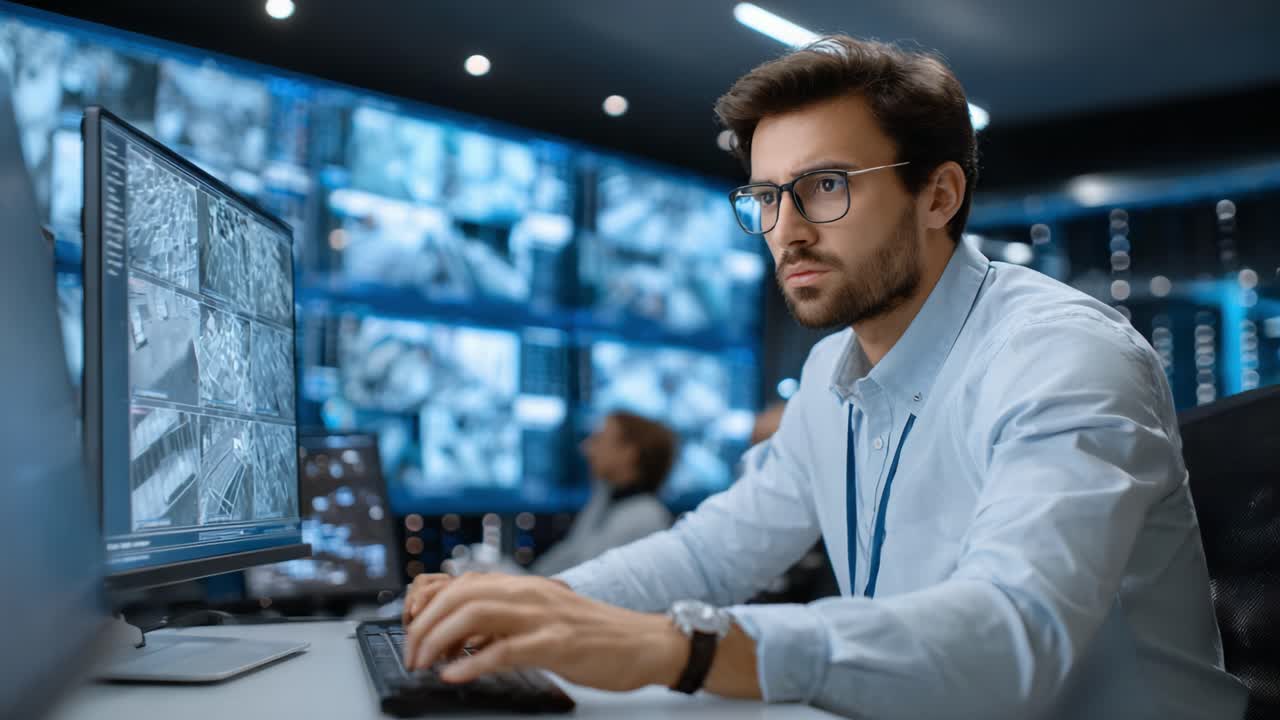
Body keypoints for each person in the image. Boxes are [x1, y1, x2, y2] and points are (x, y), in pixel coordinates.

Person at [399, 35, 1247, 719]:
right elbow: (713, 551)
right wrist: (535, 604)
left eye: (826, 186)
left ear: (939, 196)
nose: (787, 231)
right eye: (767, 197)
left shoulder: (1061, 353)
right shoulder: (830, 375)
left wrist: (682, 648)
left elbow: (1013, 634)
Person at [529, 411, 676, 576]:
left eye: (598, 439)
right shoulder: (603, 501)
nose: (585, 448)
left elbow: (591, 579)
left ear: (629, 452)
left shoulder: (646, 517)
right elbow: (568, 557)